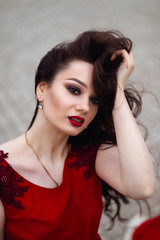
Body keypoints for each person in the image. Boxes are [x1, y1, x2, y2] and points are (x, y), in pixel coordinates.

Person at [0, 30, 155, 240]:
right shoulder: (3, 173)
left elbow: (143, 187)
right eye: (74, 90)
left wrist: (117, 92)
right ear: (42, 89)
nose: (84, 107)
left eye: (95, 100)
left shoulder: (91, 151)